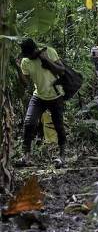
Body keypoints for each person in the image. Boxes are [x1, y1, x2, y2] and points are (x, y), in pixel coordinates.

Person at [17, 38, 66, 166]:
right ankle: (26, 156)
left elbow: (61, 70)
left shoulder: (49, 52)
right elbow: (26, 83)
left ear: (35, 50)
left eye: (29, 54)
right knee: (29, 123)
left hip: (55, 95)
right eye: (25, 55)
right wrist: (18, 69)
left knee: (59, 126)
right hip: (38, 96)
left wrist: (46, 59)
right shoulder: (25, 61)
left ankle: (62, 156)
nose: (27, 57)